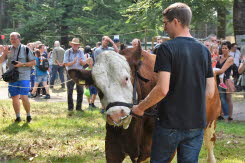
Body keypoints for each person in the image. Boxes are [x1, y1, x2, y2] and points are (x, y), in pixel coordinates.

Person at [132, 3, 215, 162]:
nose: (164, 28)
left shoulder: (166, 48)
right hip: (196, 124)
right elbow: (210, 92)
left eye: (165, 23)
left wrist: (140, 107)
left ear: (176, 21)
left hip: (169, 124)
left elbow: (162, 89)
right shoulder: (204, 50)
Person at [0, 32, 36, 123]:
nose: (12, 41)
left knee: (24, 96)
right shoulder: (8, 49)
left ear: (19, 39)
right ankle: (18, 117)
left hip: (24, 76)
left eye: (14, 39)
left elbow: (34, 62)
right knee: (14, 97)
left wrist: (22, 64)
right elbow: (0, 61)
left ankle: (28, 116)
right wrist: (4, 53)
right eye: (11, 39)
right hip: (12, 77)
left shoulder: (26, 49)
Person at [93, 36, 119, 113]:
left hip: (110, 72)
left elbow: (117, 51)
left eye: (107, 42)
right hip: (102, 72)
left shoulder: (110, 49)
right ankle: (102, 107)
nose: (106, 42)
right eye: (105, 41)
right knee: (103, 90)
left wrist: (112, 41)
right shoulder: (97, 50)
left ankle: (108, 106)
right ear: (102, 41)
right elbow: (96, 61)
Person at [63, 38, 88, 112]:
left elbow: (84, 63)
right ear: (71, 45)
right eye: (74, 44)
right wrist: (73, 62)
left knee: (80, 91)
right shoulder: (67, 52)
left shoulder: (81, 52)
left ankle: (79, 108)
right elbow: (65, 64)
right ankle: (70, 108)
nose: (75, 46)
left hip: (80, 73)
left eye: (76, 44)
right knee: (70, 91)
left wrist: (82, 62)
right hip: (70, 74)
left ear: (78, 45)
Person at [215, 42, 234, 121]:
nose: (224, 49)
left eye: (226, 48)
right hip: (217, 80)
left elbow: (222, 70)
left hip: (226, 80)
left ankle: (229, 116)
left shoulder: (230, 58)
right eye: (223, 48)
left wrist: (213, 71)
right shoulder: (219, 57)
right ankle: (221, 115)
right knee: (219, 98)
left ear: (229, 49)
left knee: (227, 98)